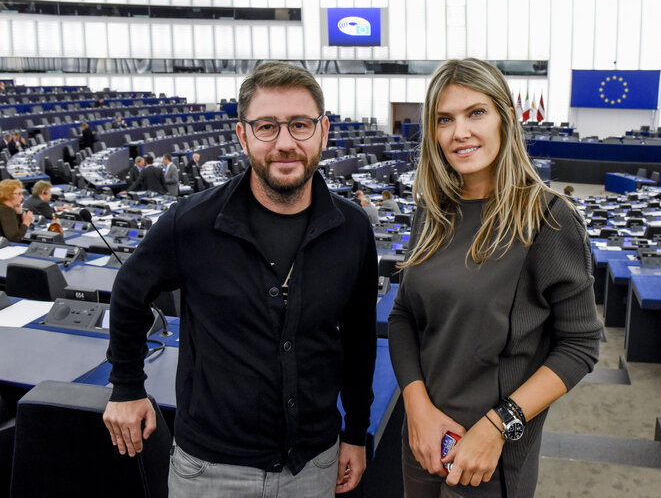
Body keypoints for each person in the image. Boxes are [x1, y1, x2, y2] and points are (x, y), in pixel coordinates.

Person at [102, 61, 378, 497]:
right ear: (242, 135)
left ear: (323, 132)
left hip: (314, 464)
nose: (285, 143)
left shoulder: (354, 229)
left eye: (300, 125)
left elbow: (361, 340)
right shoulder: (189, 223)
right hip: (210, 470)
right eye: (267, 126)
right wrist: (126, 387)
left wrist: (357, 433)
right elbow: (129, 293)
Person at [388, 58, 601, 498]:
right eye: (444, 119)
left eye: (476, 113)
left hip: (491, 457)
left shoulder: (549, 219)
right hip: (425, 443)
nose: (459, 132)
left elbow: (580, 346)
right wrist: (417, 408)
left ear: (505, 117)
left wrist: (498, 426)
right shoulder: (431, 211)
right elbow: (404, 316)